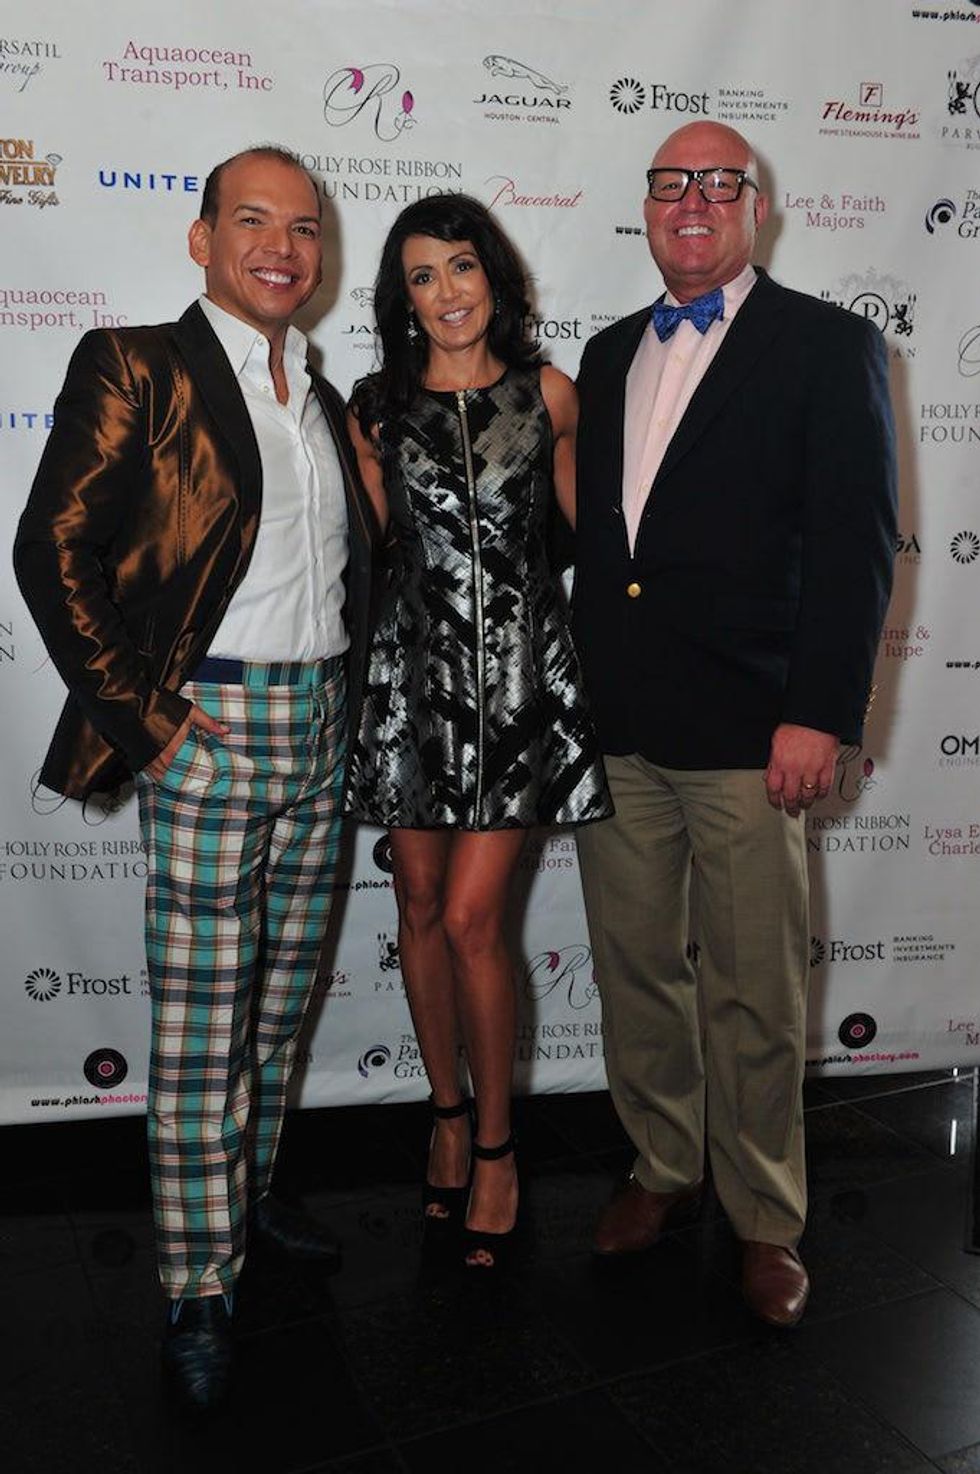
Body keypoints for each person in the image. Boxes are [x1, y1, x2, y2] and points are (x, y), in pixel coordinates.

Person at [14, 146, 374, 1407]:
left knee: (277, 1011)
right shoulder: (140, 365)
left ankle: (251, 1198)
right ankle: (195, 1282)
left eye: (305, 226)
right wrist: (148, 720)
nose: (282, 245)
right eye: (254, 220)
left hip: (320, 724)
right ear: (202, 237)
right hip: (208, 725)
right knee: (200, 1029)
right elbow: (50, 545)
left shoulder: (323, 394)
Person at [572, 122, 896, 1326]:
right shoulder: (606, 356)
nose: (691, 203)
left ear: (753, 208)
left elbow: (857, 545)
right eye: (669, 185)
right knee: (635, 969)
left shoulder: (826, 343)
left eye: (717, 185)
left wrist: (820, 712)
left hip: (755, 733)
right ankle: (663, 1166)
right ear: (646, 209)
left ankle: (764, 1216)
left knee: (754, 988)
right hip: (620, 730)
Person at [345, 193, 610, 1269]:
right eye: (421, 275)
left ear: (493, 277)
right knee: (414, 907)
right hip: (408, 687)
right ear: (400, 299)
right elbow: (370, 559)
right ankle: (444, 1115)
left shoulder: (548, 394)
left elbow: (594, 540)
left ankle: (497, 1146)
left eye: (460, 267)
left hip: (515, 690)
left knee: (466, 921)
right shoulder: (375, 409)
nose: (445, 292)